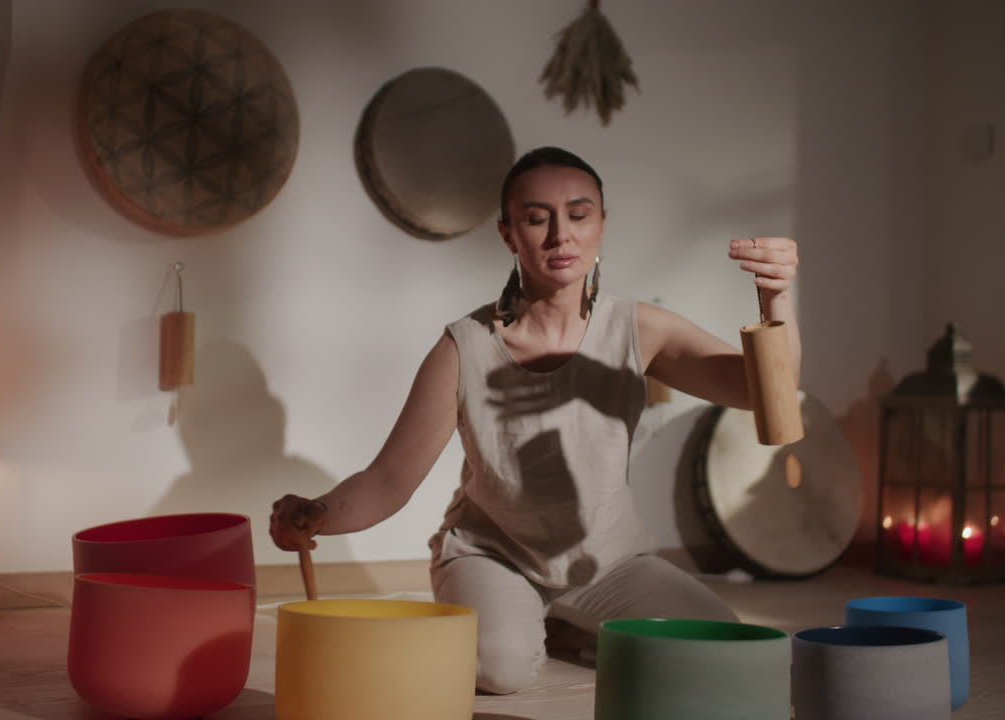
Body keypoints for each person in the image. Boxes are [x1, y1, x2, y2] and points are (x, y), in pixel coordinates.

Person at [269, 146, 801, 694]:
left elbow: (761, 393)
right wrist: (319, 513)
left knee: (722, 644)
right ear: (508, 234)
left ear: (601, 224)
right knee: (497, 670)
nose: (559, 235)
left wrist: (775, 298)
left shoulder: (639, 328)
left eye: (578, 213)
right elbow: (388, 480)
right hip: (495, 556)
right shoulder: (464, 347)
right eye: (535, 217)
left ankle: (567, 624)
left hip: (610, 563)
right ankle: (518, 613)